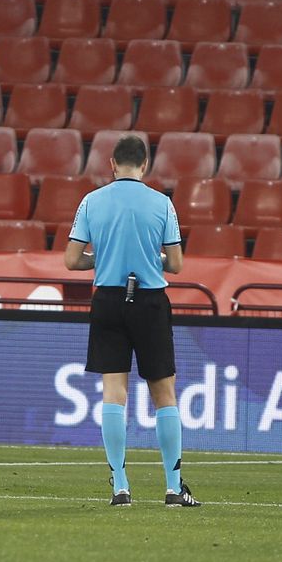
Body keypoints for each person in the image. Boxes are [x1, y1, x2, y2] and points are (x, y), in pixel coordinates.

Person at [63, 134, 200, 508]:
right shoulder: (163, 203)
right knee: (164, 394)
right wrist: (150, 260)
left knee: (113, 393)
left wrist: (103, 258)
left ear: (111, 164)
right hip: (150, 301)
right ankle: (173, 488)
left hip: (107, 298)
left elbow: (72, 260)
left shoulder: (92, 201)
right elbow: (175, 264)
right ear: (145, 165)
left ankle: (120, 486)